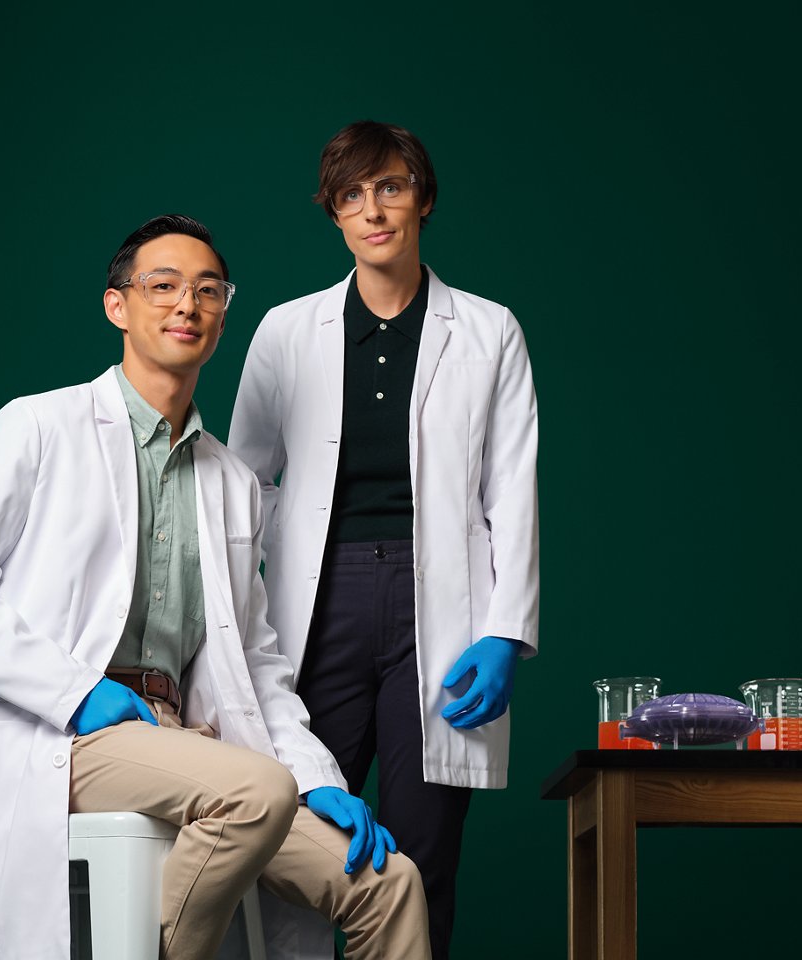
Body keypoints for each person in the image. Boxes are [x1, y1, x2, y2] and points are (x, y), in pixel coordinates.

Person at [0, 214, 431, 960]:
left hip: (186, 742)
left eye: (209, 291)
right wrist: (75, 691)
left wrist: (318, 776)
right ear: (118, 305)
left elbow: (255, 657)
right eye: (164, 286)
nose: (188, 304)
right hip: (66, 735)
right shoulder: (40, 427)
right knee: (254, 792)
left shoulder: (233, 479)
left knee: (388, 882)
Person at [228, 121, 540, 959]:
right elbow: (240, 485)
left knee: (421, 852)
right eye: (353, 195)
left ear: (423, 199)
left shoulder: (489, 331)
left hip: (439, 612)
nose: (374, 210)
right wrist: (245, 610)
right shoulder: (286, 332)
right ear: (333, 213)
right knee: (295, 845)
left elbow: (510, 489)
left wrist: (505, 631)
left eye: (392, 187)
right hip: (316, 603)